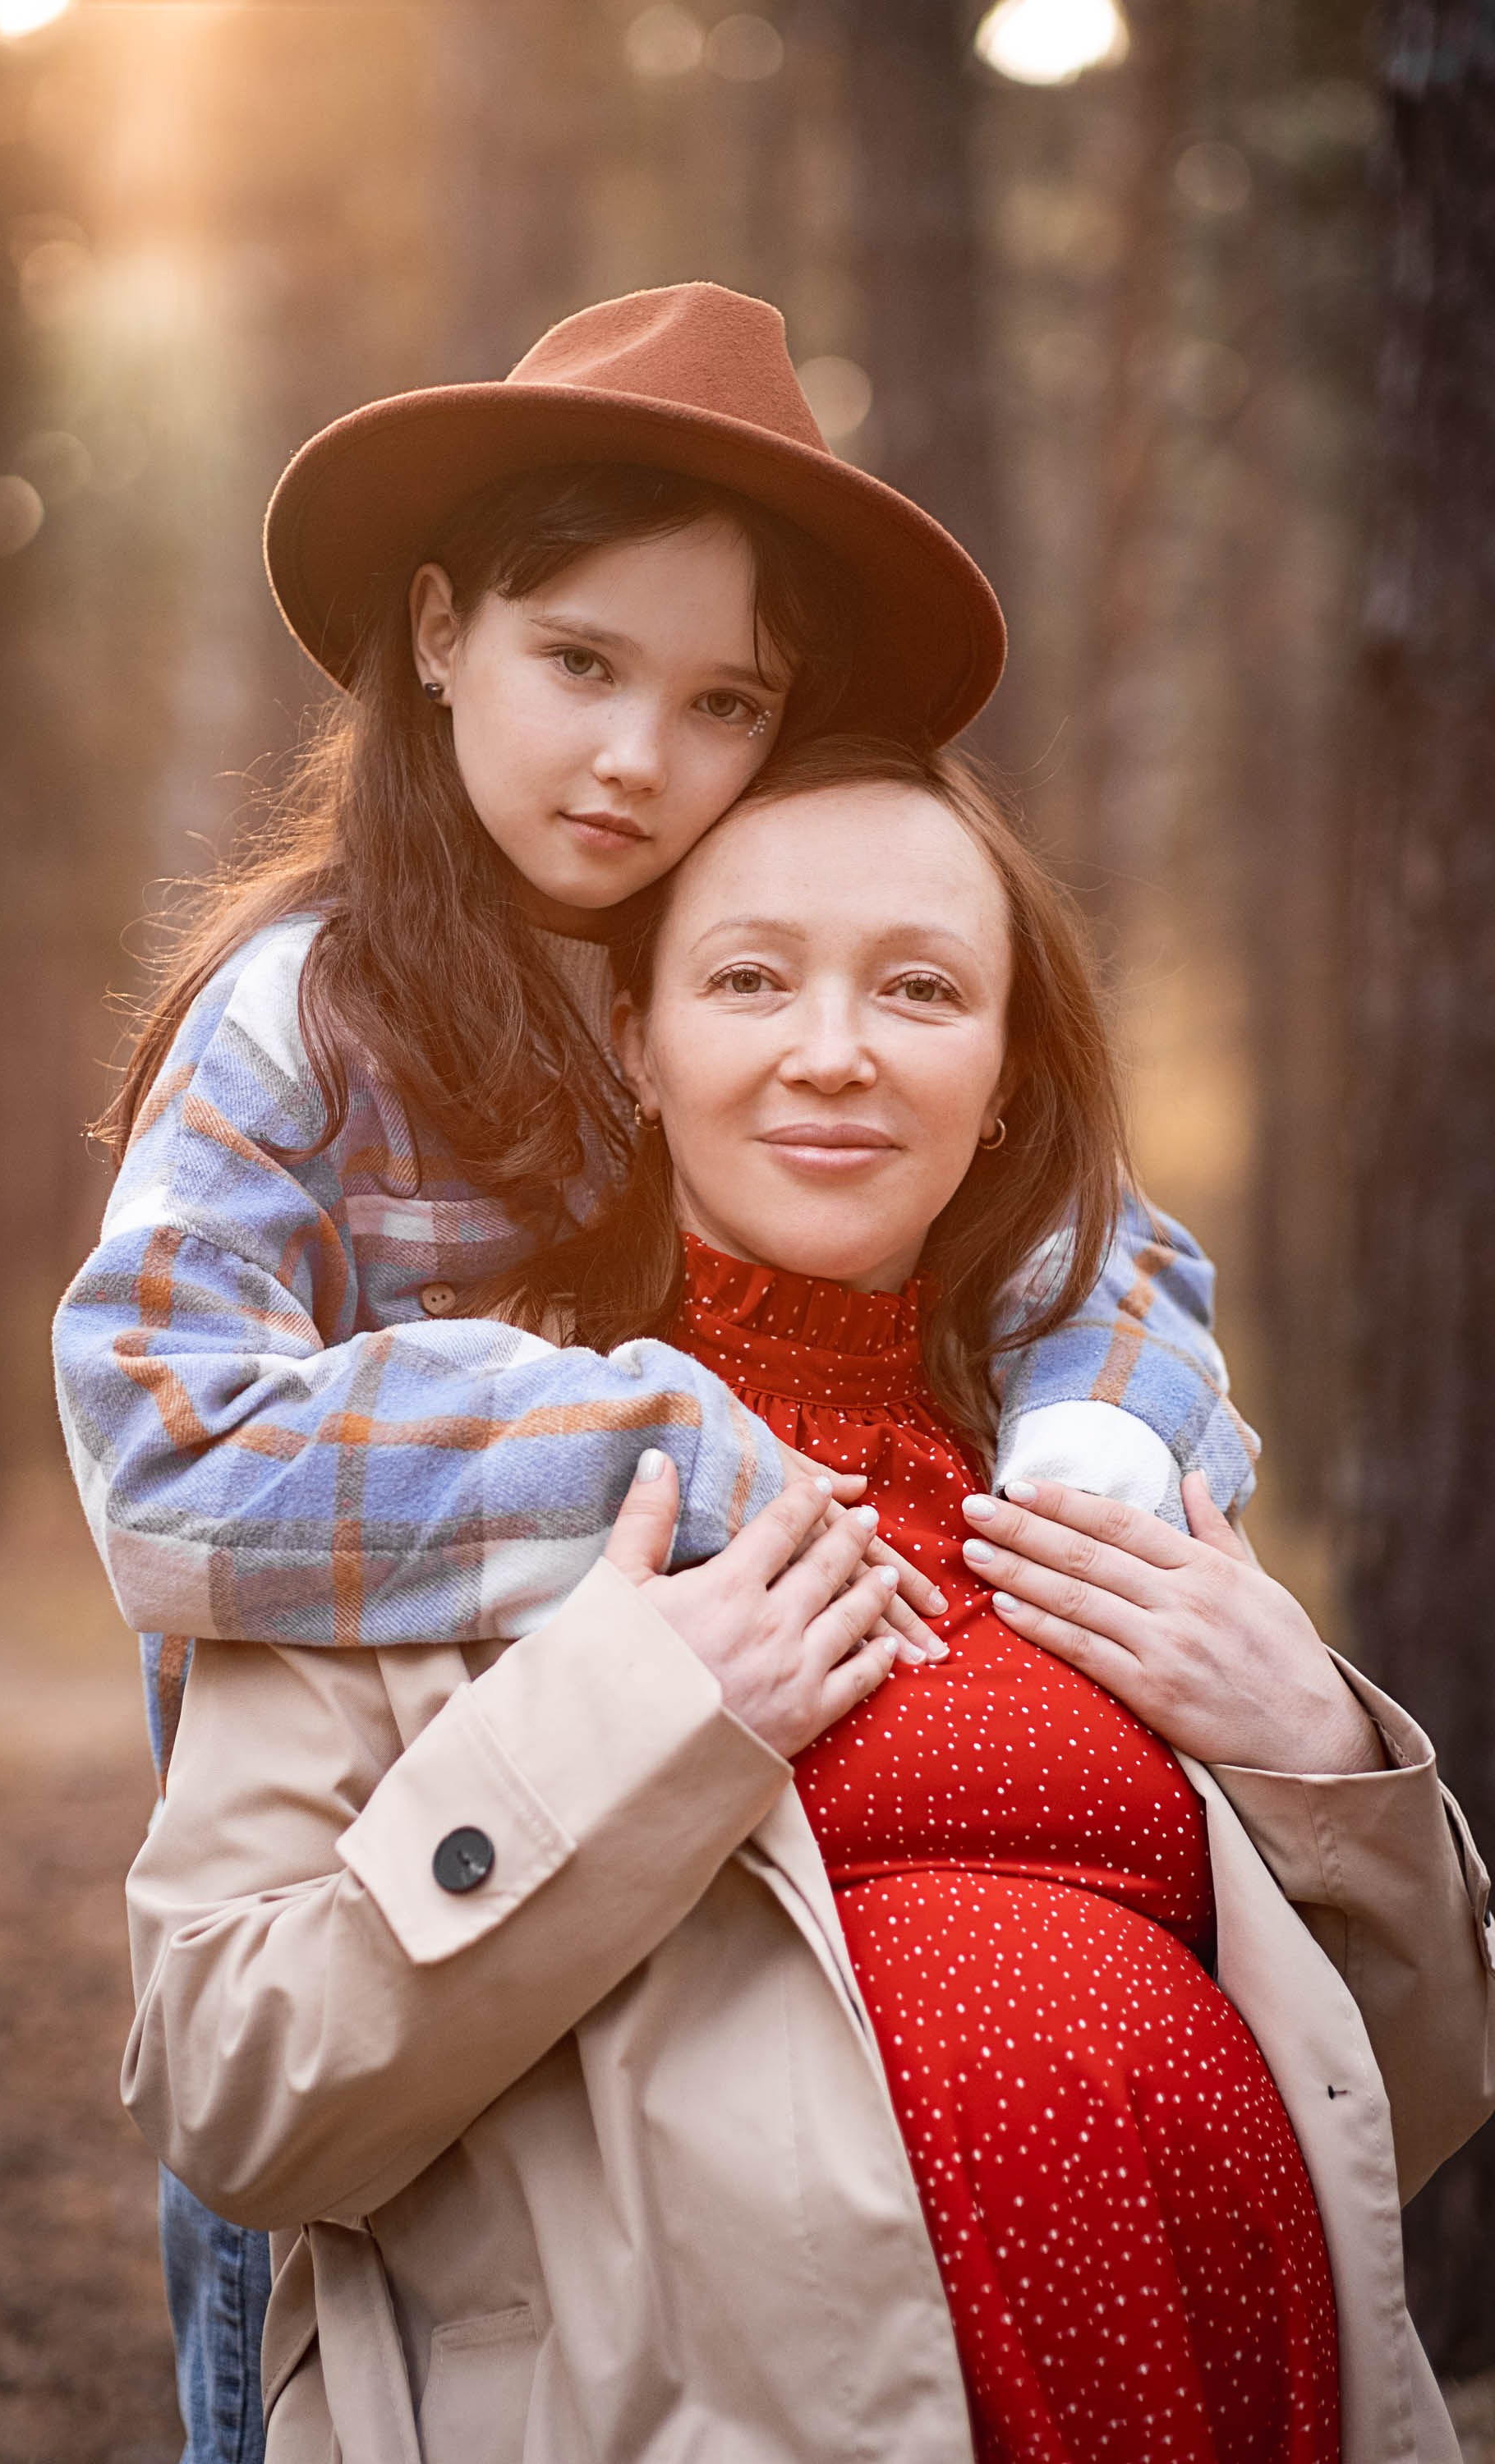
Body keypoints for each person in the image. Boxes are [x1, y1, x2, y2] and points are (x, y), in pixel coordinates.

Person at [57, 283, 1255, 2463]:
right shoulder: (304, 1014)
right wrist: (649, 1439)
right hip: (363, 1858)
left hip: (682, 1858)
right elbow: (166, 1453)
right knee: (320, 2358)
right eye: (580, 664)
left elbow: (1096, 1233)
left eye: (723, 703)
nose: (637, 759)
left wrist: (1095, 1434)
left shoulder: (725, 967)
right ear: (438, 630)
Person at [121, 735, 1495, 2463]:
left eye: (920, 990)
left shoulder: (1097, 1462)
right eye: (749, 978)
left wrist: (1316, 1751)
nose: (832, 1054)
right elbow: (229, 2092)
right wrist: (631, 1728)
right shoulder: (430, 1458)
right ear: (636, 1039)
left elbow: (1410, 2100)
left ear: (1002, 1071)